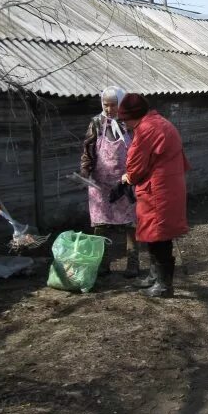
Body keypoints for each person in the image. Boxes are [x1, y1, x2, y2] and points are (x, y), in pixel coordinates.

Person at [118, 93, 190, 298]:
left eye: (125, 120)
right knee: (154, 233)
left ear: (134, 115)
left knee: (159, 236)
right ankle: (154, 277)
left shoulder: (147, 129)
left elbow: (135, 164)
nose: (125, 124)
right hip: (166, 186)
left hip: (158, 190)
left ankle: (164, 285)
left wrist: (127, 178)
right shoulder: (160, 122)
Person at [80, 86, 138, 277]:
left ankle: (132, 263)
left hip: (125, 180)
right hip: (100, 183)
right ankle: (103, 263)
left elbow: (137, 149)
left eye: (113, 105)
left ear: (120, 104)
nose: (109, 109)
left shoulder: (128, 123)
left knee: (130, 222)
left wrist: (135, 173)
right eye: (106, 105)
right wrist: (85, 170)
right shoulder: (96, 123)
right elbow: (88, 149)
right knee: (100, 222)